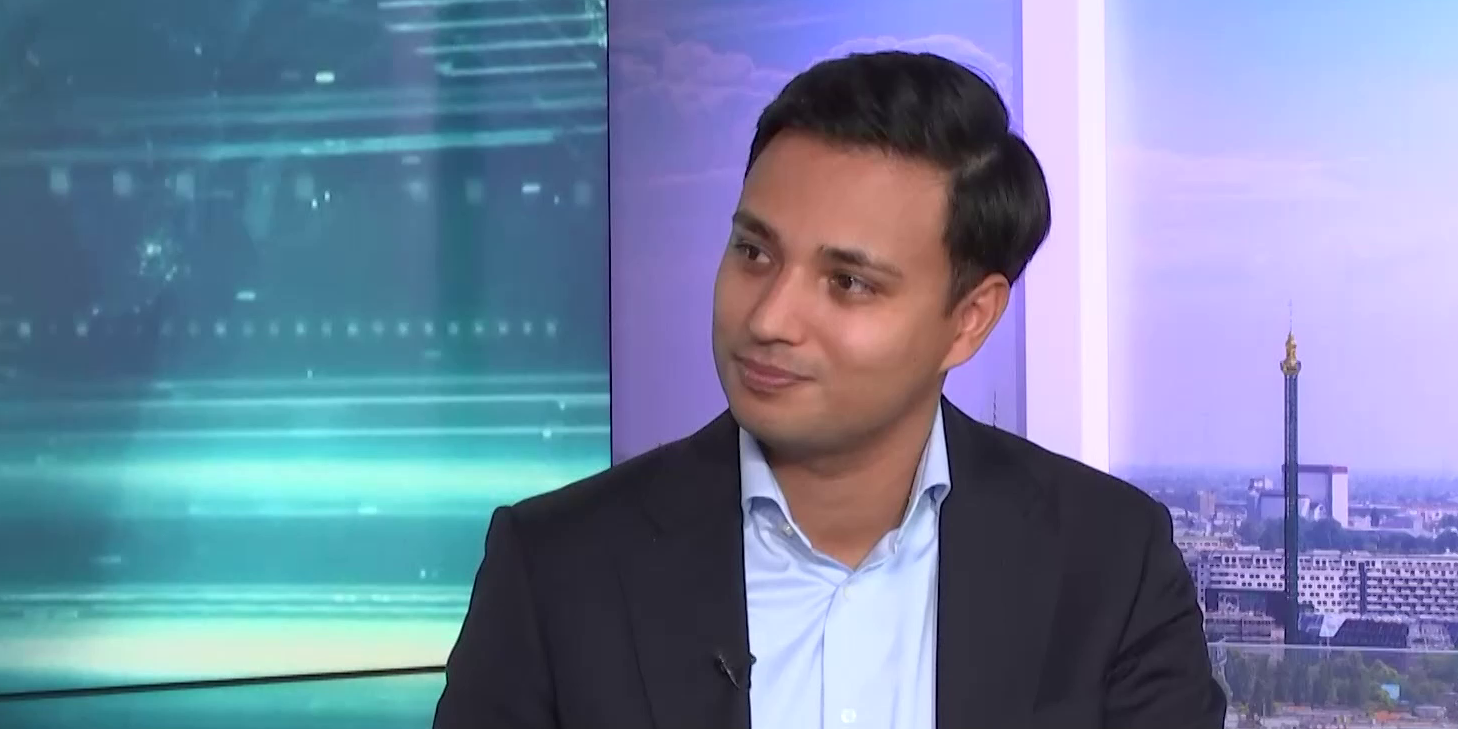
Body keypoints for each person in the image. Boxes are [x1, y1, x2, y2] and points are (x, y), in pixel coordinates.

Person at [433, 51, 1226, 729]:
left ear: (969, 319)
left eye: (847, 281)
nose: (769, 318)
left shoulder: (1110, 565)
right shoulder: (557, 569)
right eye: (753, 252)